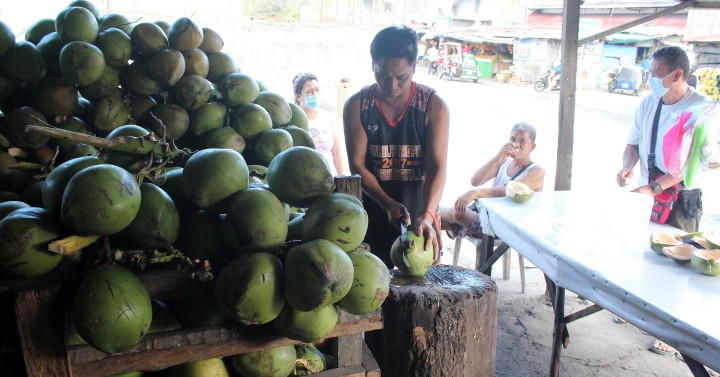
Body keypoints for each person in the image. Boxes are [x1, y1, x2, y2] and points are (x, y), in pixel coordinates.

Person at [615, 45, 714, 357]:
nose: (651, 81)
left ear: (678, 75)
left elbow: (694, 162)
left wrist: (655, 186)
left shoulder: (704, 109)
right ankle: (638, 310)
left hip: (682, 196)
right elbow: (632, 142)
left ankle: (670, 333)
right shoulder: (648, 104)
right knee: (644, 253)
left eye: (657, 76)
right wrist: (627, 166)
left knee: (677, 263)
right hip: (650, 190)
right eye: (650, 74)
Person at [343, 25, 450, 268]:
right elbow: (357, 164)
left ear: (414, 66)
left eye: (401, 77)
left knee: (420, 293)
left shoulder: (434, 107)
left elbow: (438, 166)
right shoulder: (357, 105)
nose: (391, 86)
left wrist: (429, 214)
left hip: (421, 216)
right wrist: (388, 204)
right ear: (373, 65)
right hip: (371, 214)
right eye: (382, 75)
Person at [440, 123, 544, 239]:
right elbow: (475, 180)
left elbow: (509, 190)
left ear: (532, 147)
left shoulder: (537, 171)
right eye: (513, 139)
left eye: (522, 141)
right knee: (431, 217)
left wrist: (475, 192)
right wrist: (497, 157)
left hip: (505, 226)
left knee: (456, 213)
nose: (516, 144)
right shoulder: (504, 162)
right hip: (485, 215)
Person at [292, 72, 349, 176]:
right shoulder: (293, 122)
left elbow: (338, 152)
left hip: (330, 178)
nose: (314, 94)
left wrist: (342, 177)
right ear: (298, 96)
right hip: (303, 179)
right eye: (309, 91)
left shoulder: (328, 119)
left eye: (317, 90)